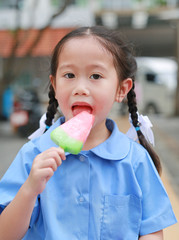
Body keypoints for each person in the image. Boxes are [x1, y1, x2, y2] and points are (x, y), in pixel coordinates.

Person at [0, 26, 177, 240]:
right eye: (69, 75)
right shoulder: (33, 156)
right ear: (55, 85)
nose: (80, 87)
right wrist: (29, 190)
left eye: (95, 75)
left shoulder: (136, 161)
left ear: (121, 89)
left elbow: (152, 232)